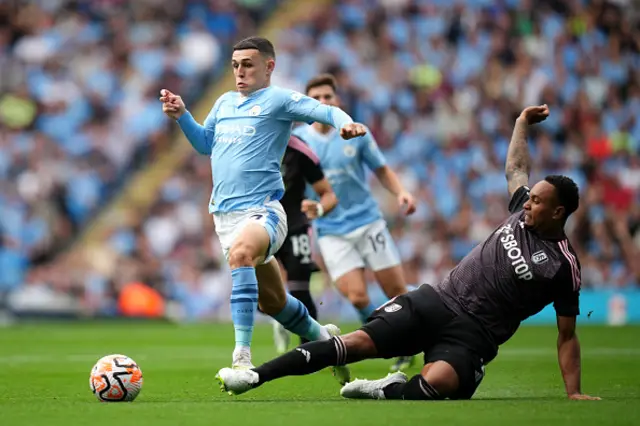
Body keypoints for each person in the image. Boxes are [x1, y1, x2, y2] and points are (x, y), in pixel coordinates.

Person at [215, 105, 601, 402]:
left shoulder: (562, 267)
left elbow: (567, 335)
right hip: (438, 299)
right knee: (353, 345)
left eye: (537, 202)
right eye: (529, 198)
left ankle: (385, 389)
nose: (528, 204)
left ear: (558, 212)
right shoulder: (519, 210)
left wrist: (573, 392)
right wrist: (520, 122)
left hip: (476, 335)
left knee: (439, 385)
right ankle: (255, 376)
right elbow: (516, 167)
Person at [160, 36, 365, 378]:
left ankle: (242, 357)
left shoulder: (278, 100)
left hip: (265, 211)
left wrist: (343, 122)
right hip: (224, 217)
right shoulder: (224, 102)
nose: (240, 72)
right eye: (235, 66)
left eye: (248, 65)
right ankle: (328, 343)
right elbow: (204, 144)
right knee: (274, 302)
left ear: (269, 66)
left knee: (241, 255)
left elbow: (324, 110)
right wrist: (182, 115)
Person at [292, 74, 417, 372]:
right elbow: (292, 184)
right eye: (316, 99)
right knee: (357, 295)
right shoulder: (299, 141)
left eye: (328, 97)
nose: (323, 102)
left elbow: (382, 169)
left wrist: (401, 192)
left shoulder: (355, 132)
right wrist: (304, 206)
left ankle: (419, 330)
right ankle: (391, 340)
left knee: (396, 292)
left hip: (368, 223)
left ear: (337, 101)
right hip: (331, 230)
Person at [272, 135, 338, 353]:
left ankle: (309, 350)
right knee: (259, 293)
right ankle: (282, 318)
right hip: (263, 225)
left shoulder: (301, 150)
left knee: (300, 288)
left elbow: (327, 193)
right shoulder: (252, 142)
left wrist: (319, 208)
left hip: (295, 226)